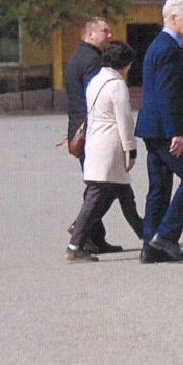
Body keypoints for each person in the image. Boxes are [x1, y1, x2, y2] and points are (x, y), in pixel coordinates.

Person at [136, 0, 183, 264]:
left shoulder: (165, 45)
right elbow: (165, 95)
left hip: (155, 128)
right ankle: (165, 237)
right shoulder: (166, 48)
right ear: (173, 18)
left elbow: (174, 95)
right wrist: (176, 132)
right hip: (164, 130)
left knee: (160, 186)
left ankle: (150, 244)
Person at [65, 40, 148, 262]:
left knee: (124, 195)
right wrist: (131, 149)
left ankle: (147, 236)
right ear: (125, 63)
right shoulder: (116, 84)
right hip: (110, 146)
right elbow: (125, 120)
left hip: (95, 142)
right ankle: (75, 244)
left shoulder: (95, 80)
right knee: (96, 197)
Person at [64, 16, 118, 254]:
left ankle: (95, 236)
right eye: (105, 31)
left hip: (79, 128)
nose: (109, 35)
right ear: (90, 34)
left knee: (98, 184)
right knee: (102, 186)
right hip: (91, 132)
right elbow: (95, 99)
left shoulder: (77, 56)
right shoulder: (92, 61)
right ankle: (81, 229)